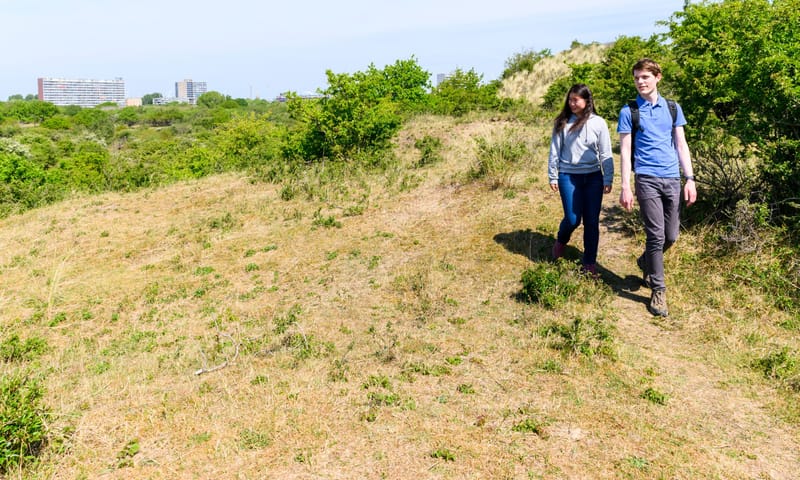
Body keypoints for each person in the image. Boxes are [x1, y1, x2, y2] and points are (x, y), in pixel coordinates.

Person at [617, 58, 697, 317]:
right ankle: (658, 291)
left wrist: (690, 179)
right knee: (656, 236)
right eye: (637, 78)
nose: (640, 82)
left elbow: (682, 145)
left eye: (645, 77)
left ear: (657, 77)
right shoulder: (629, 111)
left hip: (672, 178)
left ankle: (646, 262)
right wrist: (625, 187)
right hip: (646, 177)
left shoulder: (673, 108)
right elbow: (625, 150)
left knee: (671, 236)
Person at [548, 83, 614, 277]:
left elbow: (606, 152)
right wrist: (553, 174)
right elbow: (554, 150)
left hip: (593, 177)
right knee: (572, 218)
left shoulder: (598, 123)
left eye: (576, 99)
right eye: (570, 99)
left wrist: (608, 177)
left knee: (592, 222)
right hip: (568, 175)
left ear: (587, 101)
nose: (572, 103)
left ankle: (589, 263)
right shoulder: (562, 122)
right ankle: (561, 240)